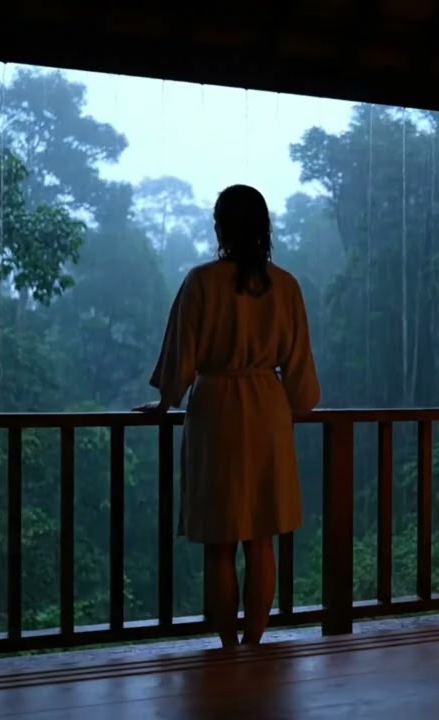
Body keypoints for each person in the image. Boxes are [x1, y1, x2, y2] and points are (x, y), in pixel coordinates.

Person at [135, 184, 321, 649]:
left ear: (220, 227)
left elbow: (182, 357)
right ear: (263, 229)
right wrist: (297, 402)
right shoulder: (285, 285)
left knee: (219, 541)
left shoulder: (201, 282)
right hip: (266, 412)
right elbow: (299, 369)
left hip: (215, 413)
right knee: (261, 538)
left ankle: (228, 647)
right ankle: (253, 644)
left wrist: (167, 401)